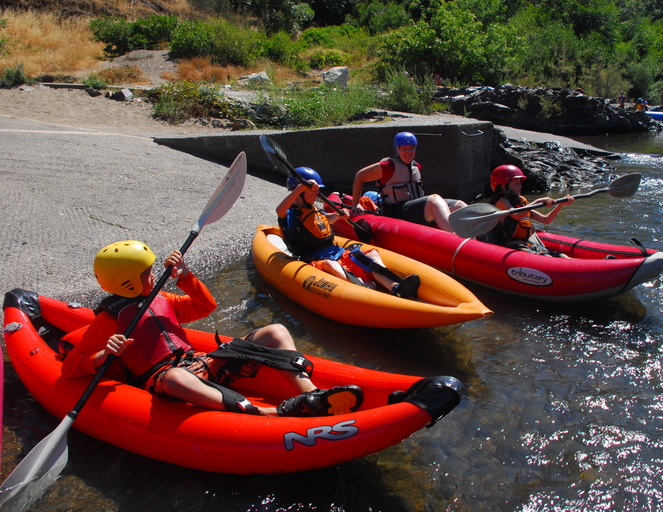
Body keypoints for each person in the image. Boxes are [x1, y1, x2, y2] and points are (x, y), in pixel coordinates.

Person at [62, 240, 363, 417]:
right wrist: (103, 355)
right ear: (126, 282)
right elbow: (71, 368)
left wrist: (186, 277)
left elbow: (204, 307)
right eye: (147, 273)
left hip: (200, 362)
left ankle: (310, 395)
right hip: (164, 377)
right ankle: (275, 413)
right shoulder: (108, 321)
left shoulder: (162, 297)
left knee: (276, 330)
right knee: (177, 377)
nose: (154, 275)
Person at [276, 167, 420, 298]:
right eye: (312, 192)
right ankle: (364, 288)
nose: (317, 194)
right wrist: (300, 188)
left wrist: (337, 216)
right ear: (299, 192)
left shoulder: (312, 208)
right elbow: (279, 211)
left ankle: (395, 286)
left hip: (335, 251)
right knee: (331, 265)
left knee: (372, 254)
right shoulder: (291, 213)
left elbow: (322, 221)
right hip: (313, 258)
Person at [351, 132, 467, 233]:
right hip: (395, 212)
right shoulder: (388, 166)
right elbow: (360, 176)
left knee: (459, 205)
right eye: (404, 149)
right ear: (398, 150)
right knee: (434, 199)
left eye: (411, 148)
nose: (408, 152)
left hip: (411, 208)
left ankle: (476, 239)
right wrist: (356, 203)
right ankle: (454, 237)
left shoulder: (416, 166)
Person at [486, 165, 575, 257]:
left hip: (527, 244)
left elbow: (546, 220)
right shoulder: (502, 201)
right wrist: (538, 201)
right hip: (512, 246)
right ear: (504, 186)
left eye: (520, 183)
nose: (520, 186)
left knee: (562, 256)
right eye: (516, 183)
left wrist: (560, 205)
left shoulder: (521, 203)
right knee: (547, 258)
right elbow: (516, 215)